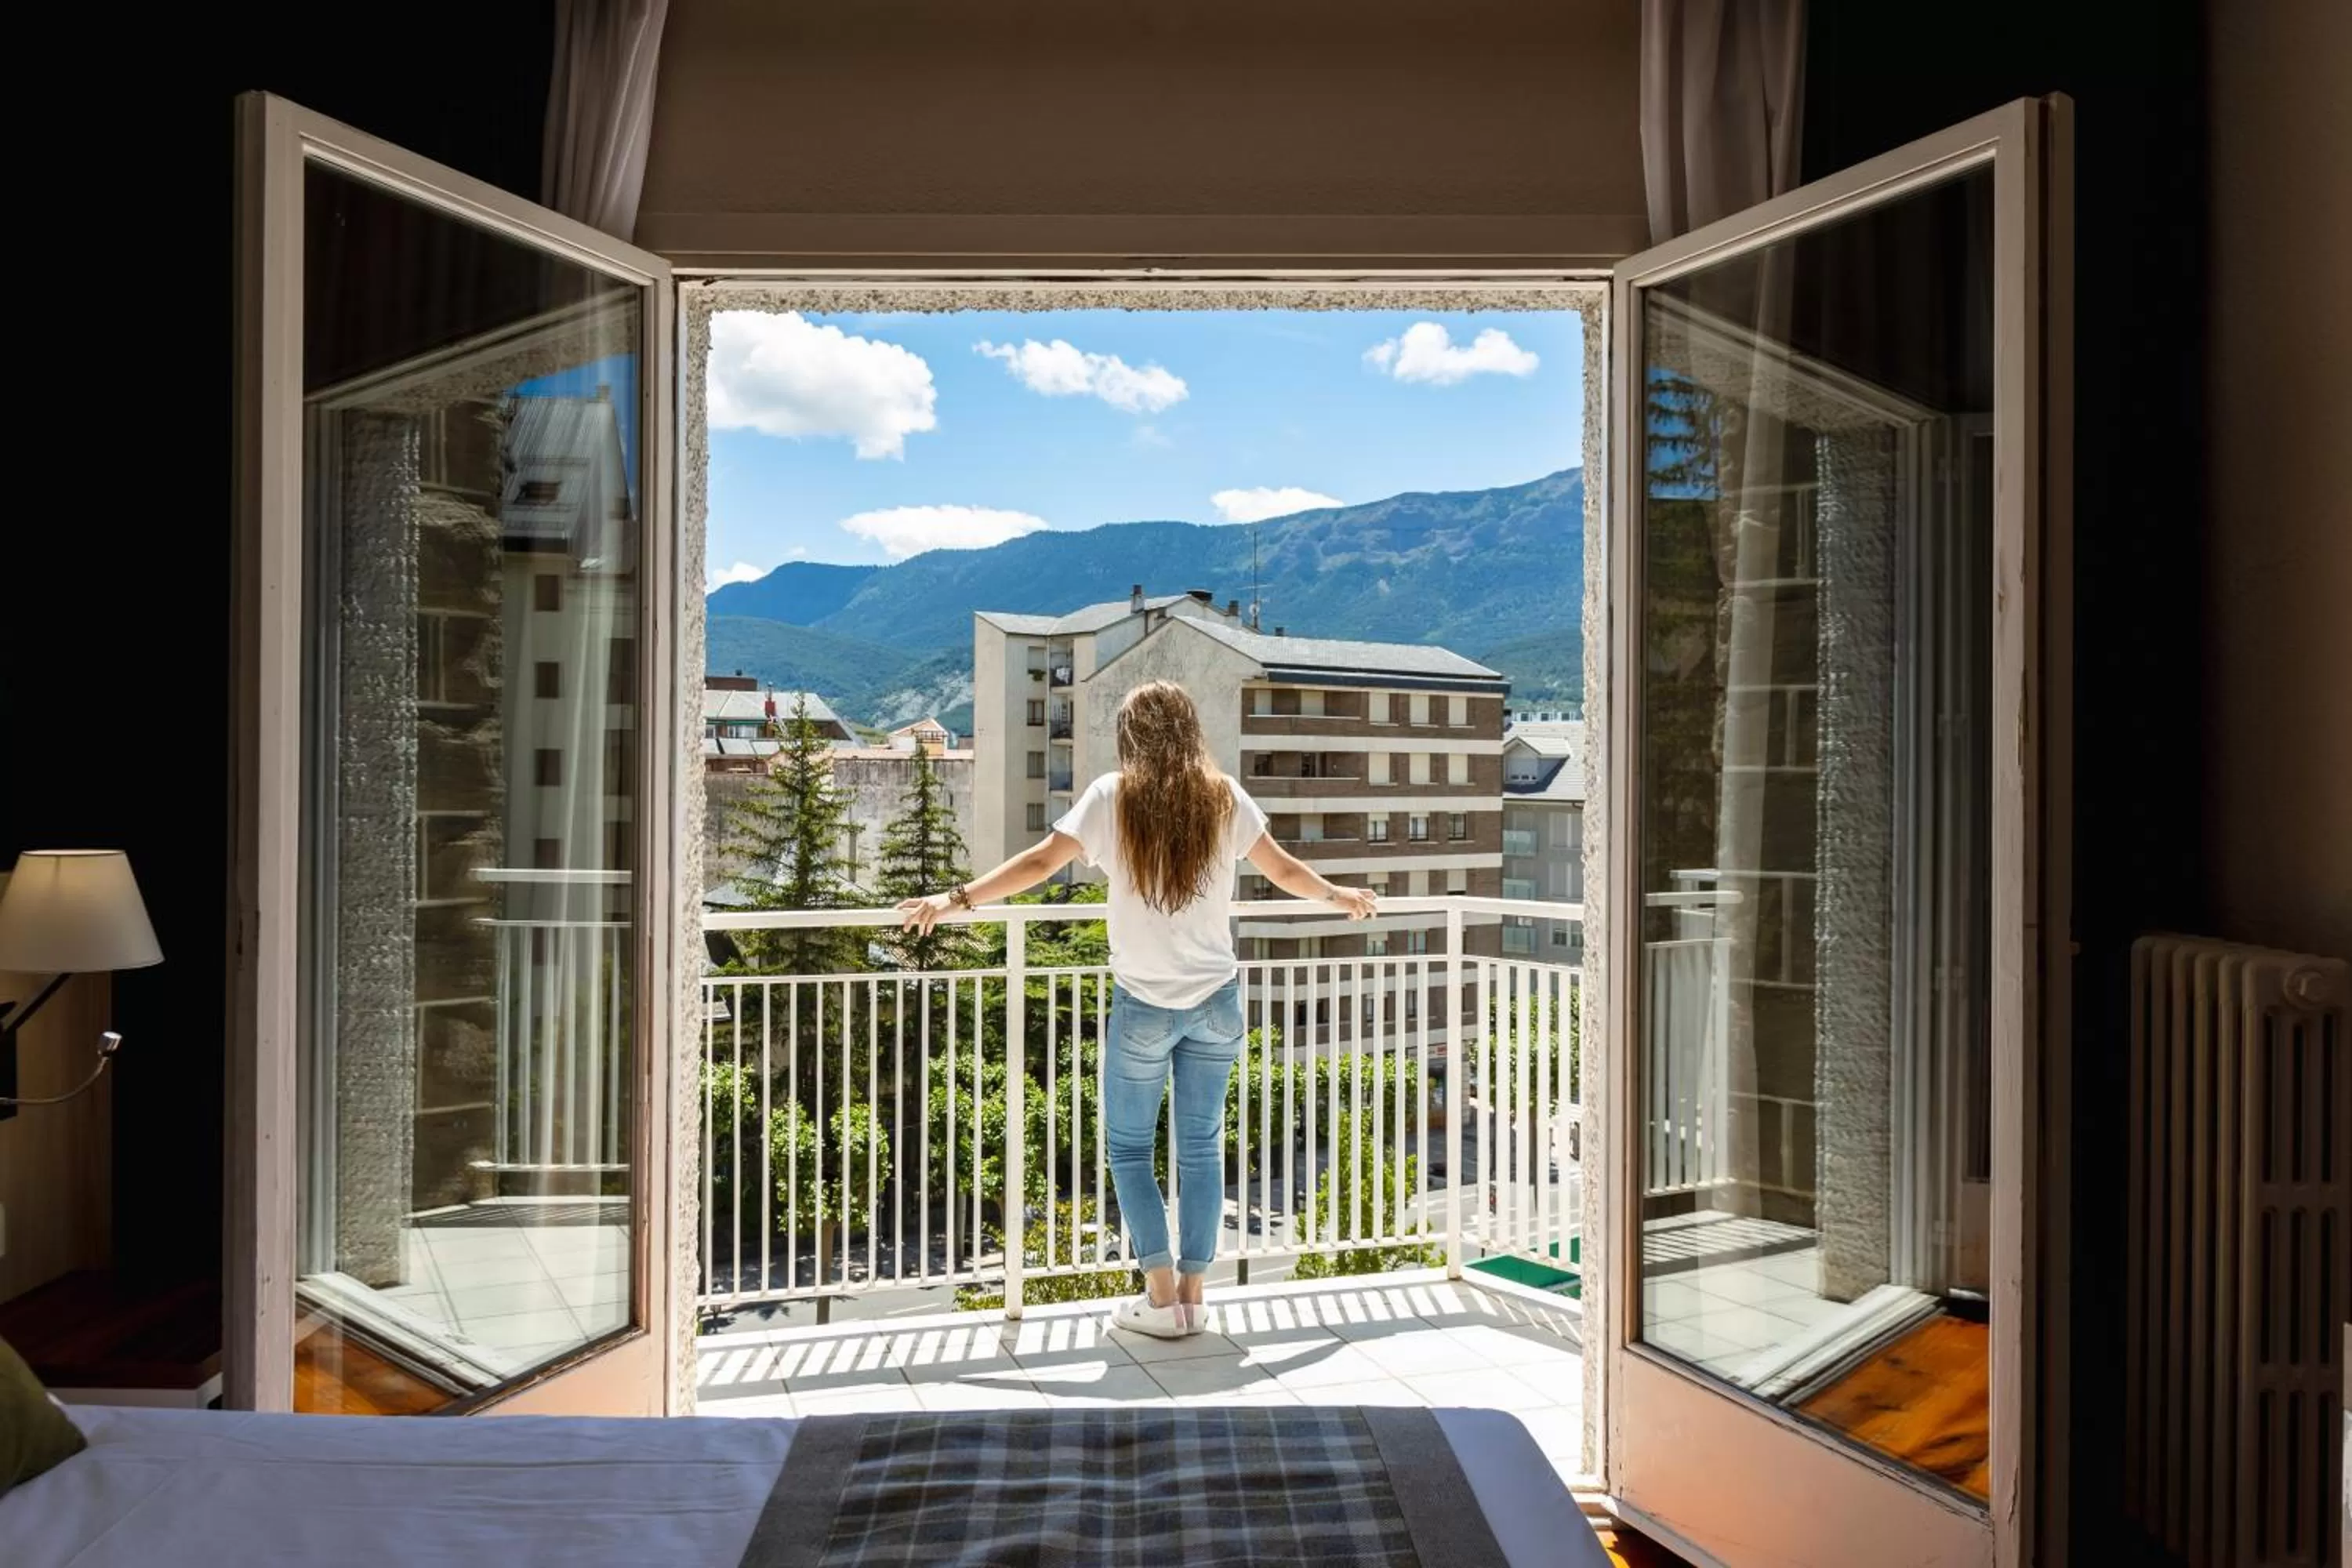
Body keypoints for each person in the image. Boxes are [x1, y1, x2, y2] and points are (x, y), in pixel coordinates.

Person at [899, 680, 1377, 1338]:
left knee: (1128, 1149)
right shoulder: (1223, 797)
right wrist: (1339, 896)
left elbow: (1041, 864)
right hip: (1217, 1002)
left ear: (1131, 737)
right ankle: (1194, 1296)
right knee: (1202, 1152)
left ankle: (1159, 1300)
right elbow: (1285, 873)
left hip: (1145, 1007)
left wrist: (953, 901)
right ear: (1189, 730)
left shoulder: (1111, 797)